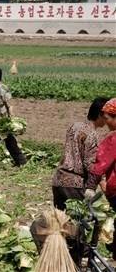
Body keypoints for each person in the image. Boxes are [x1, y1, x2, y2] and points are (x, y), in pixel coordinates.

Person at [51, 97, 109, 210]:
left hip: (58, 180)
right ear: (99, 115)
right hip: (74, 185)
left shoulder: (74, 126)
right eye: (106, 117)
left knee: (61, 221)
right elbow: (90, 163)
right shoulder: (92, 135)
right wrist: (102, 182)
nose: (107, 121)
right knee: (82, 221)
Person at [89, 98, 116, 259]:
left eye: (107, 119)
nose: (105, 123)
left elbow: (100, 166)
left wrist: (90, 188)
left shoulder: (113, 139)